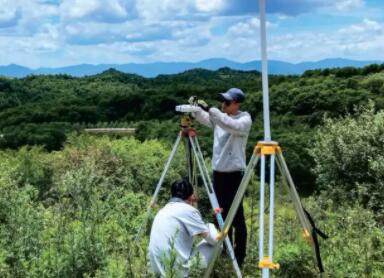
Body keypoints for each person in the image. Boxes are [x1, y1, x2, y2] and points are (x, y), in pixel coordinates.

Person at [189, 88, 252, 267]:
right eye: (222, 101)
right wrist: (194, 108)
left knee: (237, 217)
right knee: (220, 214)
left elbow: (229, 125)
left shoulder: (244, 119)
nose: (222, 104)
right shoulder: (219, 117)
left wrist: (211, 110)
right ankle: (223, 249)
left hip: (234, 175)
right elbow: (207, 118)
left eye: (226, 102)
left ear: (236, 104)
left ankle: (239, 257)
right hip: (218, 174)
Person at [148, 179, 219, 277]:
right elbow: (215, 240)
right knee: (218, 242)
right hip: (175, 272)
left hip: (155, 269)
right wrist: (211, 226)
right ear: (191, 196)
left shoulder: (162, 210)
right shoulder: (189, 210)